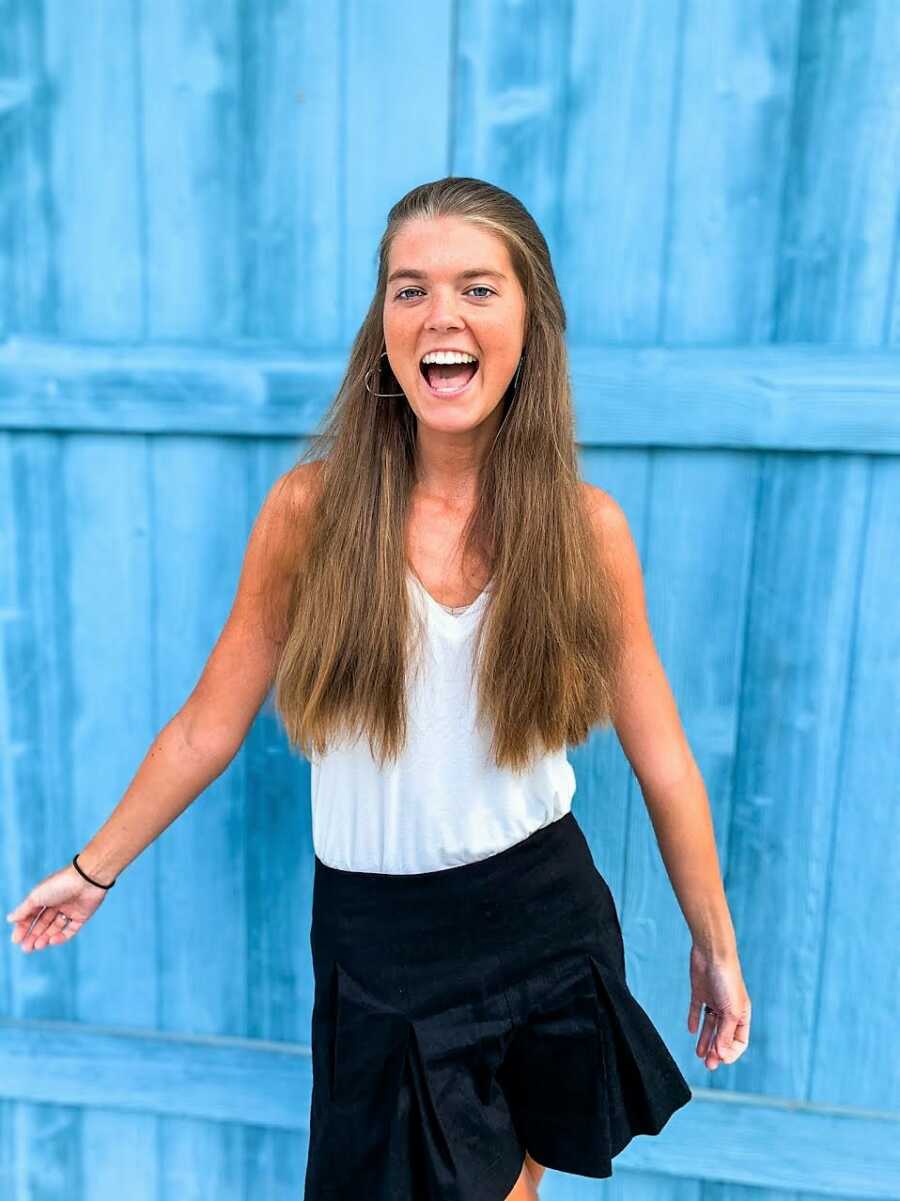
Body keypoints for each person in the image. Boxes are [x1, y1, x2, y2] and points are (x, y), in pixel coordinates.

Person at [6, 176, 751, 1200]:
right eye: (411, 290)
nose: (441, 314)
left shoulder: (587, 531)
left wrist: (714, 946)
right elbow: (204, 728)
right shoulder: (311, 516)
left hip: (542, 917)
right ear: (384, 329)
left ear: (530, 321)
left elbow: (663, 758)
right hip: (378, 949)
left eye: (478, 288)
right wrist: (92, 870)